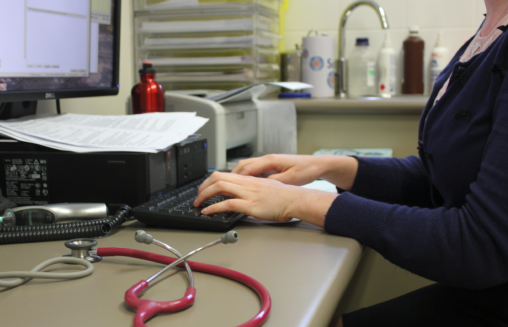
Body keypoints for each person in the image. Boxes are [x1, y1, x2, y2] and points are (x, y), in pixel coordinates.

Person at [193, 0, 508, 325]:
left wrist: (296, 201)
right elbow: (437, 181)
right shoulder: (490, 30)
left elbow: (479, 244)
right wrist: (328, 166)